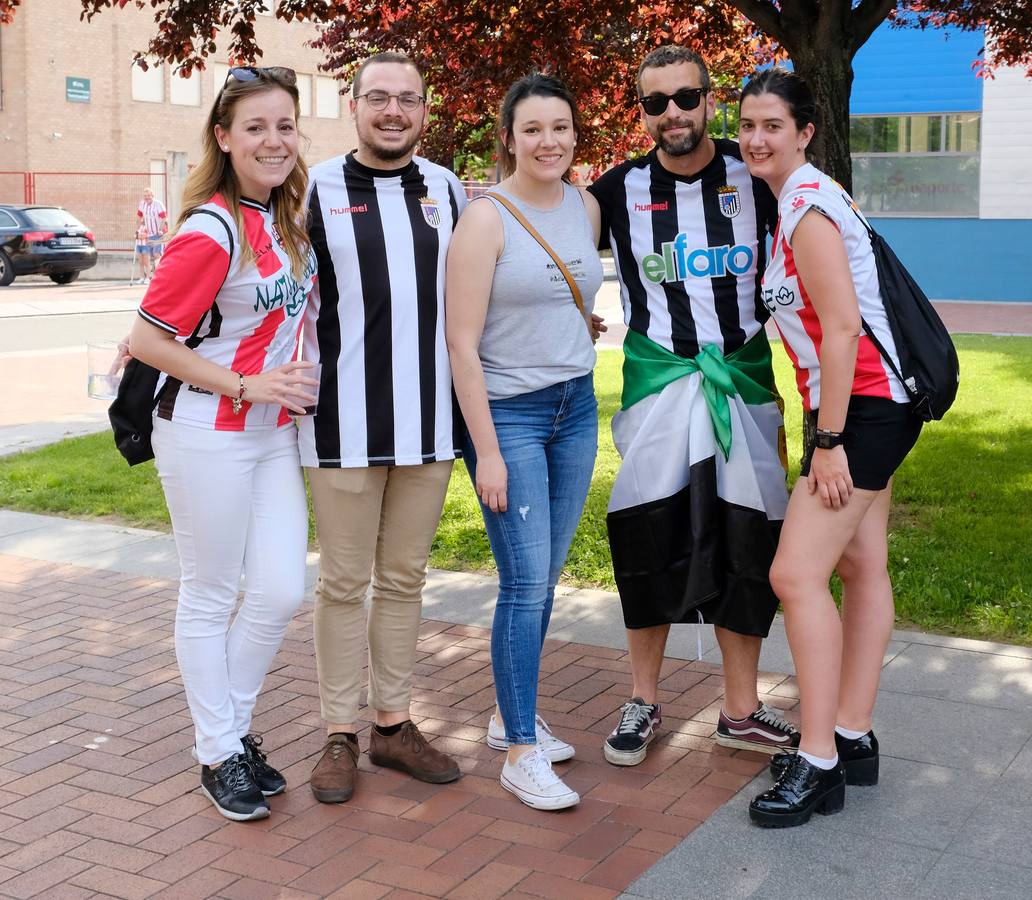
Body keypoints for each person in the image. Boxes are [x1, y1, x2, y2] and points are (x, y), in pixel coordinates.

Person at [587, 45, 797, 767]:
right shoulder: (613, 192)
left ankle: (740, 709)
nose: (672, 113)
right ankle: (644, 697)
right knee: (647, 538)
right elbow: (555, 254)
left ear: (711, 99)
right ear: (641, 113)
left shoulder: (761, 175)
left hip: (743, 383)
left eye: (686, 97)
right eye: (655, 103)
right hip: (657, 385)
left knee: (749, 544)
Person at [126, 66, 318, 821]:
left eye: (285, 126)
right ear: (224, 138)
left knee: (278, 590)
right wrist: (245, 385)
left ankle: (230, 734)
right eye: (256, 128)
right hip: (208, 430)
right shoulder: (211, 228)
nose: (273, 141)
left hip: (271, 433)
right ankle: (219, 751)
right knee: (210, 593)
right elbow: (146, 339)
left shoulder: (280, 215)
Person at [739, 69, 923, 828]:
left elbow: (842, 329)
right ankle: (852, 734)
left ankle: (817, 761)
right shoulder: (804, 198)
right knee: (861, 563)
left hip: (864, 409)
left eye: (772, 126)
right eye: (747, 125)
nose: (755, 139)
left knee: (795, 572)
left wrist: (829, 440)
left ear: (805, 131)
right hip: (870, 403)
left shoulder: (808, 206)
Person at [299, 51, 467, 803]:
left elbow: (478, 290)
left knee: (402, 579)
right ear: (355, 105)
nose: (393, 111)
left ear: (425, 109)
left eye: (407, 99)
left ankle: (392, 727)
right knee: (342, 582)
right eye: (379, 98)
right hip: (340, 424)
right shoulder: (313, 190)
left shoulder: (449, 189)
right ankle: (338, 731)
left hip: (430, 423)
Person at [446, 73, 603, 811]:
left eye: (562, 128)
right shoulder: (485, 219)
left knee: (545, 573)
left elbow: (567, 293)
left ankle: (511, 711)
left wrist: (578, 327)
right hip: (510, 415)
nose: (550, 142)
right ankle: (519, 752)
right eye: (534, 129)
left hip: (577, 406)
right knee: (525, 581)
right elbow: (462, 345)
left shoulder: (585, 203)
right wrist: (490, 453)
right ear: (508, 138)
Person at [137, 186, 168, 279]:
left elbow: (164, 218)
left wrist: (160, 229)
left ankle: (159, 276)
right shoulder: (142, 204)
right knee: (151, 256)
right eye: (145, 196)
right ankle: (157, 272)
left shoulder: (158, 204)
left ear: (152, 196)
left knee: (156, 254)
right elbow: (139, 217)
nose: (147, 197)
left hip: (158, 234)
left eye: (148, 195)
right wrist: (139, 229)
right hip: (148, 234)